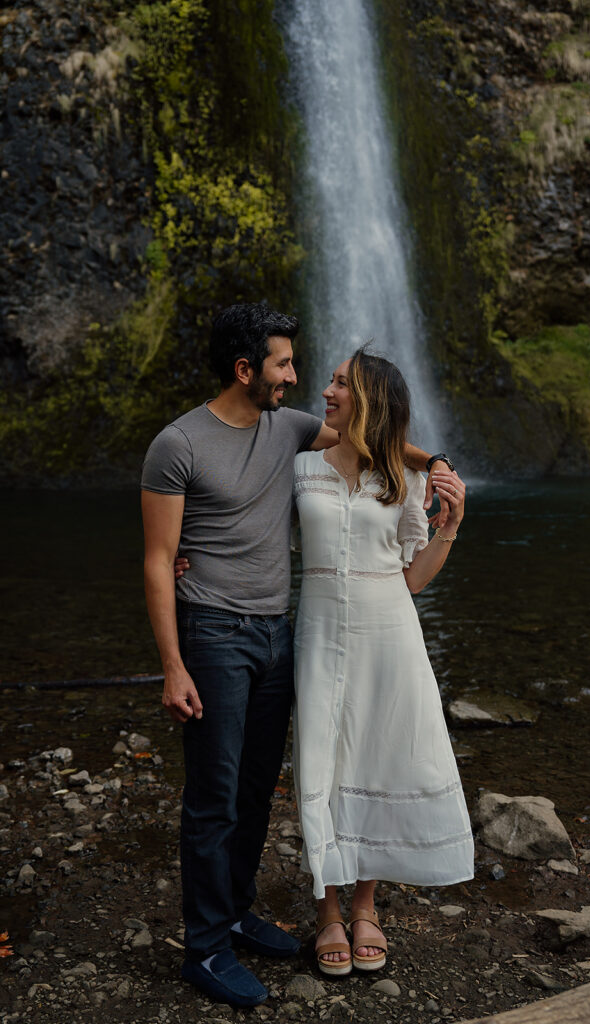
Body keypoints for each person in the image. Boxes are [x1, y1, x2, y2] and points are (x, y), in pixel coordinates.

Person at [141, 303, 448, 1008]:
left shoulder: (292, 430)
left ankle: (239, 912)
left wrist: (435, 464)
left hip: (278, 636)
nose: (296, 377)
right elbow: (159, 561)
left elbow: (373, 436)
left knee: (253, 790)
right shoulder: (177, 443)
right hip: (212, 635)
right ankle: (207, 947)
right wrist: (173, 664)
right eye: (282, 363)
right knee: (213, 798)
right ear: (246, 370)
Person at [292, 347, 474, 976]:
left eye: (340, 384)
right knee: (323, 756)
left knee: (376, 755)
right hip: (318, 636)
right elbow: (256, 535)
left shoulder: (403, 479)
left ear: (367, 399)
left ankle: (364, 907)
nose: (326, 391)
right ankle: (327, 911)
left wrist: (449, 525)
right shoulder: (301, 470)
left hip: (389, 634)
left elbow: (415, 579)